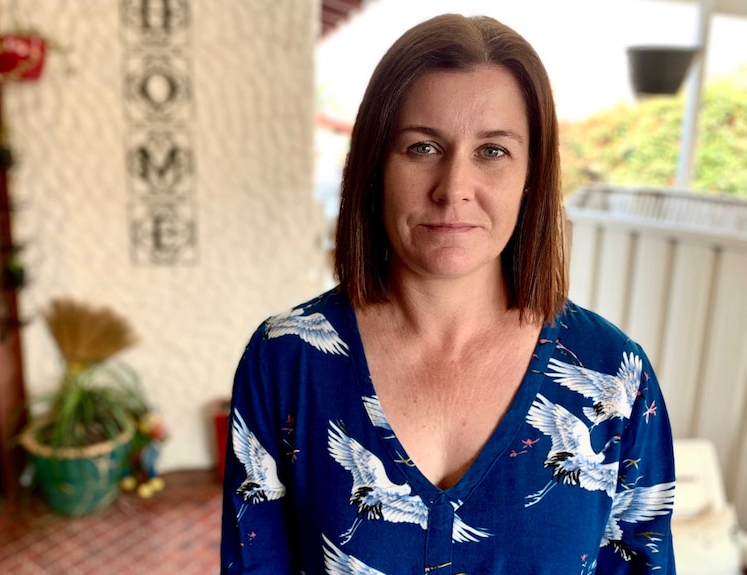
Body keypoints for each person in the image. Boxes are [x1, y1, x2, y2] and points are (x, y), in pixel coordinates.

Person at [221, 13, 676, 575]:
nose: (453, 189)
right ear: (374, 167)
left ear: (533, 174)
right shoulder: (287, 360)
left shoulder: (616, 377)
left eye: (492, 151)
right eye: (422, 148)